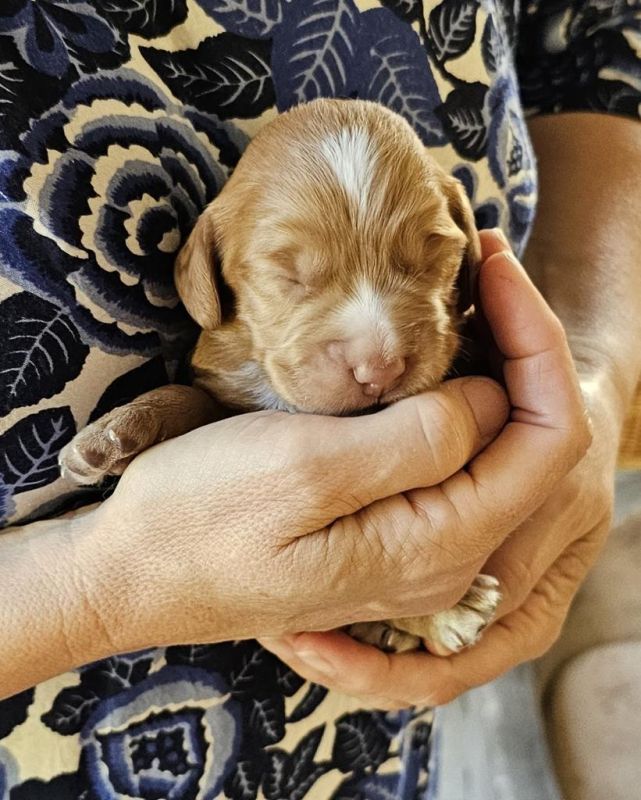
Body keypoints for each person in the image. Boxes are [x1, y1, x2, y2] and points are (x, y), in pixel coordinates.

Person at [0, 1, 640, 798]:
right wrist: (88, 589)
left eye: (428, 262)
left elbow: (594, 29)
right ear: (207, 270)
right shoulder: (224, 304)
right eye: (291, 275)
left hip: (363, 736)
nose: (377, 350)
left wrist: (590, 372)